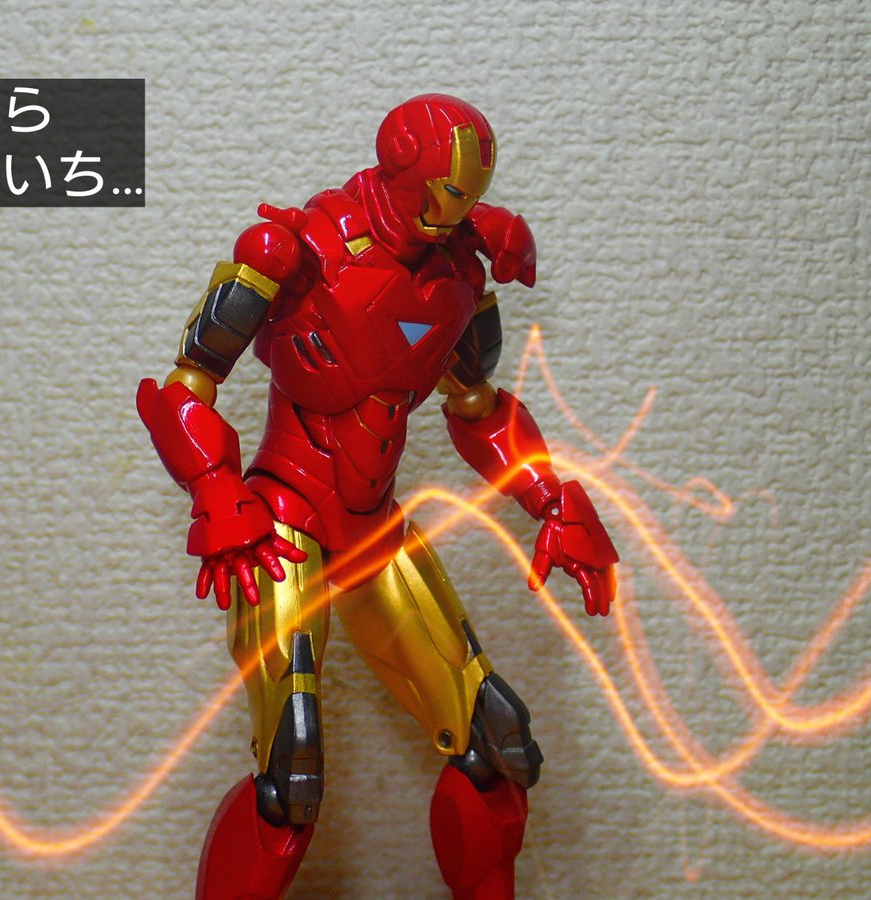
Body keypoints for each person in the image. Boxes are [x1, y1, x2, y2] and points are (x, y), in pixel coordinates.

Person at [138, 94, 618, 900]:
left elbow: (478, 409)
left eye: (469, 197)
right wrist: (214, 488)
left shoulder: (462, 274)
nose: (454, 214)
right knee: (291, 772)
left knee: (495, 742)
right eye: (446, 193)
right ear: (403, 169)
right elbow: (185, 386)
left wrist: (551, 497)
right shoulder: (293, 252)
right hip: (281, 522)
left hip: (376, 532)